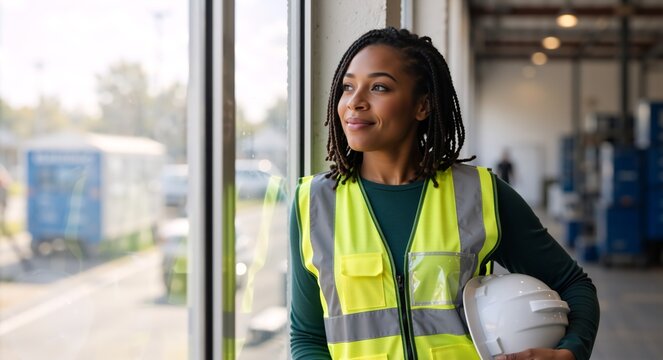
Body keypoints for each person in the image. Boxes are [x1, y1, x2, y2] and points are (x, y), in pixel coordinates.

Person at [289, 27, 599, 360]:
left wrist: (570, 353)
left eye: (379, 87)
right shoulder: (313, 203)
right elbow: (307, 335)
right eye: (348, 86)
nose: (354, 102)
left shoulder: (480, 195)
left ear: (422, 106)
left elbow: (574, 285)